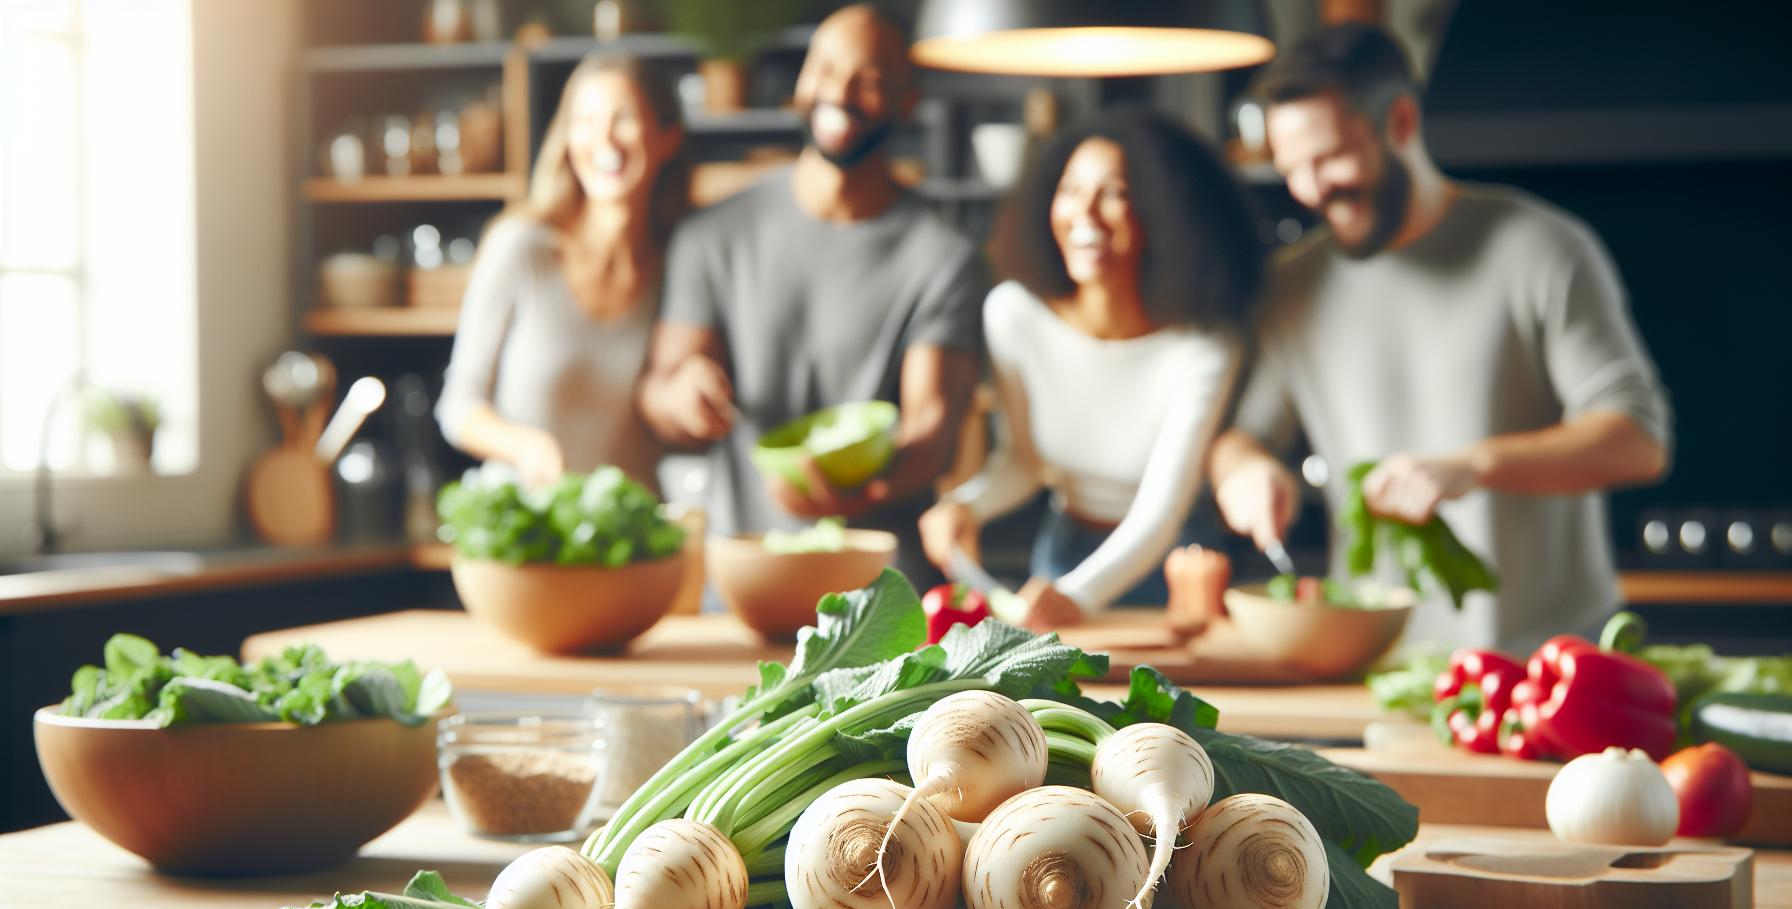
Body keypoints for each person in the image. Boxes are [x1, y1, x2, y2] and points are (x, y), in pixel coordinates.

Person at [1209, 23, 1671, 651]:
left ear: (1400, 121)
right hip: (1379, 660)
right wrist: (1246, 471)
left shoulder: (1542, 248)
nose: (1311, 190)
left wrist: (1472, 464)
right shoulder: (1294, 284)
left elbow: (1638, 440)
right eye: (1293, 169)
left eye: (1331, 159)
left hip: (1556, 658)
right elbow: (1242, 438)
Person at [634, 5, 985, 578]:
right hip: (747, 576)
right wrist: (685, 395)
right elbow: (658, 393)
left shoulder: (945, 258)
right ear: (800, 81)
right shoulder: (713, 234)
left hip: (886, 589)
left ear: (907, 101)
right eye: (824, 69)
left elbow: (932, 431)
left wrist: (863, 493)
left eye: (868, 79)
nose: (839, 92)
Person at [918, 110, 1262, 630]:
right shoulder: (1014, 315)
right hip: (1062, 555)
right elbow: (1024, 462)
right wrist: (964, 507)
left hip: (1179, 569)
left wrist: (1078, 594)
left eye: (1114, 193)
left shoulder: (1204, 346)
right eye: (1070, 190)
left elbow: (1160, 514)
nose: (1085, 214)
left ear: (1164, 213)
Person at [437, 55, 688, 489]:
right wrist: (525, 446)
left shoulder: (681, 265)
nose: (603, 138)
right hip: (526, 528)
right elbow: (457, 408)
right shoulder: (521, 247)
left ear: (668, 137)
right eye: (584, 121)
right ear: (567, 138)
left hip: (627, 537)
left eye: (623, 118)